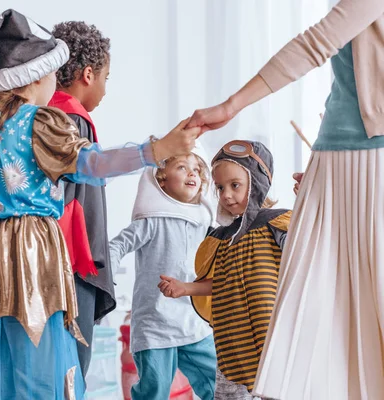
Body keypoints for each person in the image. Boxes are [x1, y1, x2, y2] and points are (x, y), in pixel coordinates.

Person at [0, 9, 201, 399]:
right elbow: (93, 165)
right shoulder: (40, 122)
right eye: (52, 74)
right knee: (42, 372)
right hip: (29, 256)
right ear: (35, 78)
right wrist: (156, 150)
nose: (56, 82)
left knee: (7, 372)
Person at [184, 1, 384, 398]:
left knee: (369, 295)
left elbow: (316, 43)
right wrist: (319, 160)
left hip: (370, 159)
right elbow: (345, 87)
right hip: (332, 160)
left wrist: (231, 105)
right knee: (317, 300)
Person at [159, 140, 291, 400]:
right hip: (232, 340)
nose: (226, 194)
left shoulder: (276, 225)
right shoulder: (221, 239)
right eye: (220, 187)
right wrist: (185, 288)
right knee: (229, 394)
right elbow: (219, 281)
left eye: (235, 185)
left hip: (272, 339)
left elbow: (305, 258)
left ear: (258, 183)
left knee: (277, 391)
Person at [109, 147, 217, 400]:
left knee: (216, 383)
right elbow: (117, 245)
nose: (192, 172)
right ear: (162, 180)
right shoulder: (151, 221)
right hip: (155, 325)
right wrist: (106, 273)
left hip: (194, 322)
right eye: (182, 167)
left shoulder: (205, 222)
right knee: (154, 390)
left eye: (197, 169)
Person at [47, 21, 115, 378]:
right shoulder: (73, 121)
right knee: (71, 369)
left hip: (48, 261)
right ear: (88, 74)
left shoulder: (42, 114)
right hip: (73, 264)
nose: (105, 88)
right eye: (105, 77)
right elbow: (78, 204)